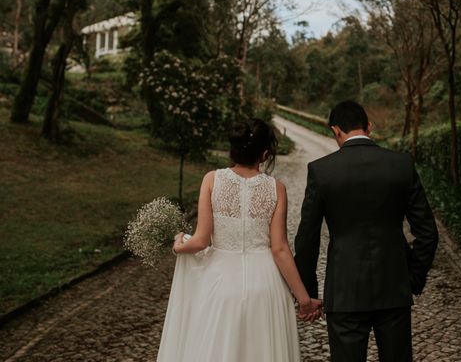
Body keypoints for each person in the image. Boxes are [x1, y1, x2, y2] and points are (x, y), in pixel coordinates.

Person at [157, 118, 322, 362]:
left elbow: (201, 240)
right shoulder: (276, 188)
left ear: (233, 150)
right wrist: (304, 300)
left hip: (220, 283)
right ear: (265, 154)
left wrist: (180, 244)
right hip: (266, 287)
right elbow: (280, 249)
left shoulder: (212, 180)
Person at [294, 100, 439, 362]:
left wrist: (309, 292)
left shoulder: (321, 171)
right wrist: (413, 279)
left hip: (344, 291)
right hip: (394, 288)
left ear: (335, 130)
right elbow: (427, 232)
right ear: (369, 127)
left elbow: (307, 239)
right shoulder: (401, 164)